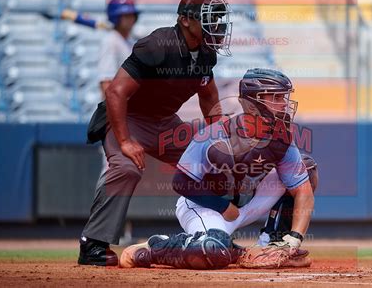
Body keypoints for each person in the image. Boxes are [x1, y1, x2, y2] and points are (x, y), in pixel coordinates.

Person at [78, 0, 233, 266]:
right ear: (185, 20)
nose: (217, 24)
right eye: (209, 18)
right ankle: (93, 244)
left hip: (165, 122)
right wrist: (124, 140)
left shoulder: (207, 53)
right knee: (126, 168)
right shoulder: (157, 45)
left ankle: (214, 234)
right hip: (130, 119)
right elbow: (115, 92)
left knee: (214, 161)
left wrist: (218, 137)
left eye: (218, 18)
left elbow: (208, 95)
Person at [119, 68, 318, 270]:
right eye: (276, 97)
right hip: (205, 207)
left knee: (306, 169)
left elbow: (302, 190)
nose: (284, 104)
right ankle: (156, 246)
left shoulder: (281, 137)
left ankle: (273, 245)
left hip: (245, 203)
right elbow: (180, 182)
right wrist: (221, 207)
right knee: (212, 250)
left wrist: (294, 239)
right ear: (253, 102)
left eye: (284, 97)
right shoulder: (215, 136)